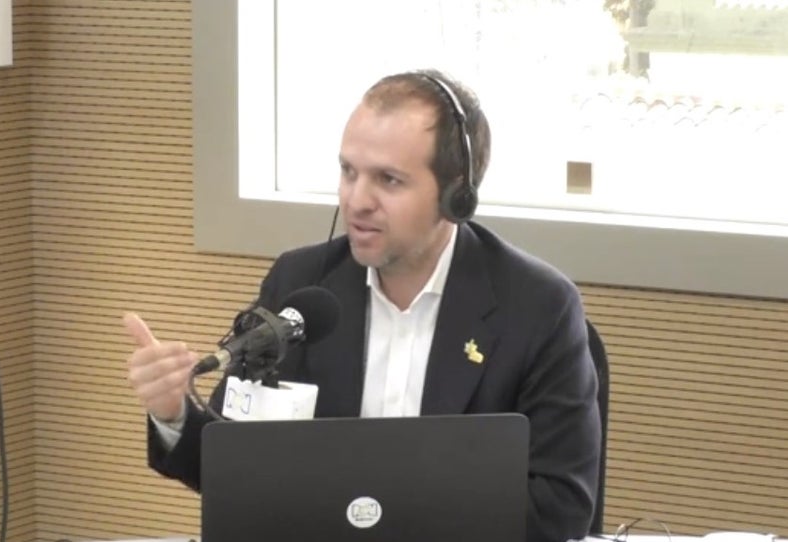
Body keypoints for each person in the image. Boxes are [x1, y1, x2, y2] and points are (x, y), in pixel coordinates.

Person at [124, 68, 601, 542]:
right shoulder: (301, 284)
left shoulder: (538, 307)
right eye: (348, 172)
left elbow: (561, 506)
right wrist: (174, 411)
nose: (356, 201)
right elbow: (232, 467)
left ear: (456, 194)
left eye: (388, 180)